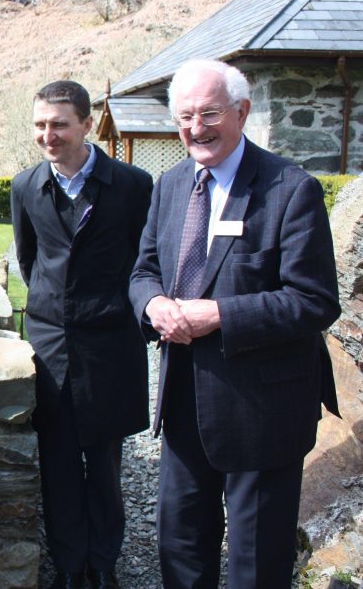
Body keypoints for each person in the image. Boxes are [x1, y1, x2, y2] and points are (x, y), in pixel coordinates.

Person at [130, 59, 341, 587]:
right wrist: (153, 304)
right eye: (184, 117)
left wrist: (219, 314)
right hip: (182, 403)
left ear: (242, 112)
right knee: (180, 545)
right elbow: (144, 271)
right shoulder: (172, 184)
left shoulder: (291, 189)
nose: (195, 128)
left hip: (262, 410)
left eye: (209, 113)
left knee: (255, 561)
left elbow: (314, 300)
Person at [11, 80, 152, 589]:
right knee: (59, 460)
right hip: (49, 345)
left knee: (106, 461)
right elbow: (29, 261)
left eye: (59, 124)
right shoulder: (26, 186)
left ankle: (104, 561)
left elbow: (145, 261)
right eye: (40, 125)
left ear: (87, 125)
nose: (48, 135)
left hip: (111, 343)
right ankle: (70, 564)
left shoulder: (133, 186)